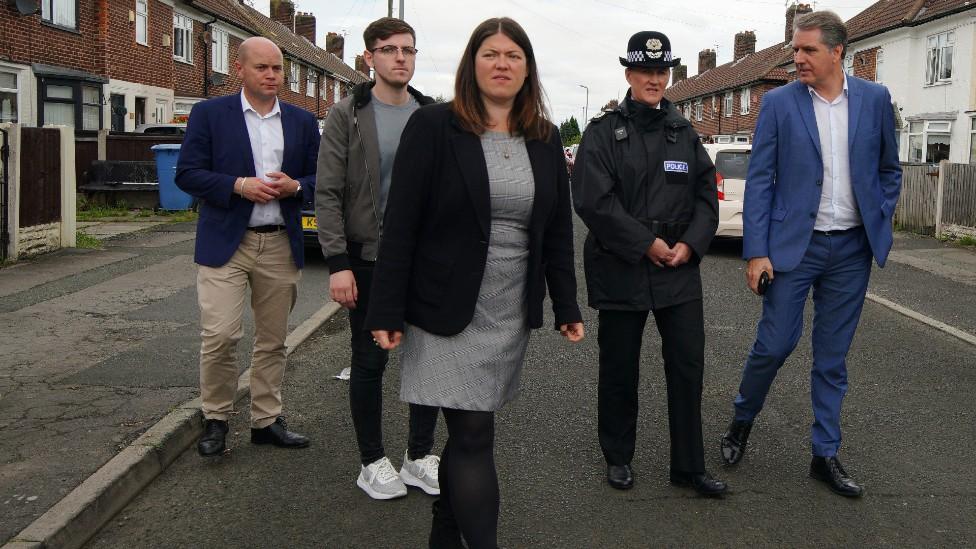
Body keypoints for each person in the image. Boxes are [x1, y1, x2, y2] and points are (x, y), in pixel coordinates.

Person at [365, 17, 584, 549]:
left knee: (471, 434)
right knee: (472, 435)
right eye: (491, 54)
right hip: (445, 304)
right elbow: (402, 225)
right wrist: (385, 311)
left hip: (508, 306)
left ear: (527, 68)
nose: (502, 64)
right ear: (473, 63)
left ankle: (445, 538)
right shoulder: (435, 126)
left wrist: (566, 305)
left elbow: (555, 227)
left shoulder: (545, 136)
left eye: (513, 55)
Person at [720, 11, 901, 498]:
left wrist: (880, 212)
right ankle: (742, 421)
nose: (797, 59)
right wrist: (756, 251)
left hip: (850, 248)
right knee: (775, 344)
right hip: (791, 248)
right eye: (795, 50)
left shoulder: (875, 99)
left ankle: (825, 453)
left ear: (837, 51)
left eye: (807, 51)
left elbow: (890, 167)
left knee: (832, 359)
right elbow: (760, 181)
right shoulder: (779, 103)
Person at [572, 31, 727, 496]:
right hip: (622, 266)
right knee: (620, 370)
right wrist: (647, 244)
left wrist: (692, 245)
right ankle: (618, 458)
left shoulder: (684, 134)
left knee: (688, 368)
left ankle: (689, 466)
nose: (654, 79)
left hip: (678, 271)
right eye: (646, 71)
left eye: (661, 72)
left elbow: (706, 198)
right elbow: (593, 202)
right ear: (629, 74)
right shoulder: (602, 134)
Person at [315, 17, 440, 500]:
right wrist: (337, 263)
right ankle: (372, 461)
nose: (400, 58)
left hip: (423, 263)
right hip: (368, 259)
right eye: (389, 50)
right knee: (369, 362)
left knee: (426, 362)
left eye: (408, 49)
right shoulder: (347, 113)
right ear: (369, 58)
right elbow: (327, 193)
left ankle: (418, 455)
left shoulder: (430, 114)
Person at [176, 37, 319, 457]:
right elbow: (187, 174)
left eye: (278, 69)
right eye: (263, 68)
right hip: (227, 243)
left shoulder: (301, 121)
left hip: (279, 244)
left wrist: (296, 187)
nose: (272, 75)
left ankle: (266, 420)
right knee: (220, 335)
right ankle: (215, 419)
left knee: (273, 340)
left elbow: (320, 178)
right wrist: (238, 186)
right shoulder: (209, 114)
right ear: (239, 69)